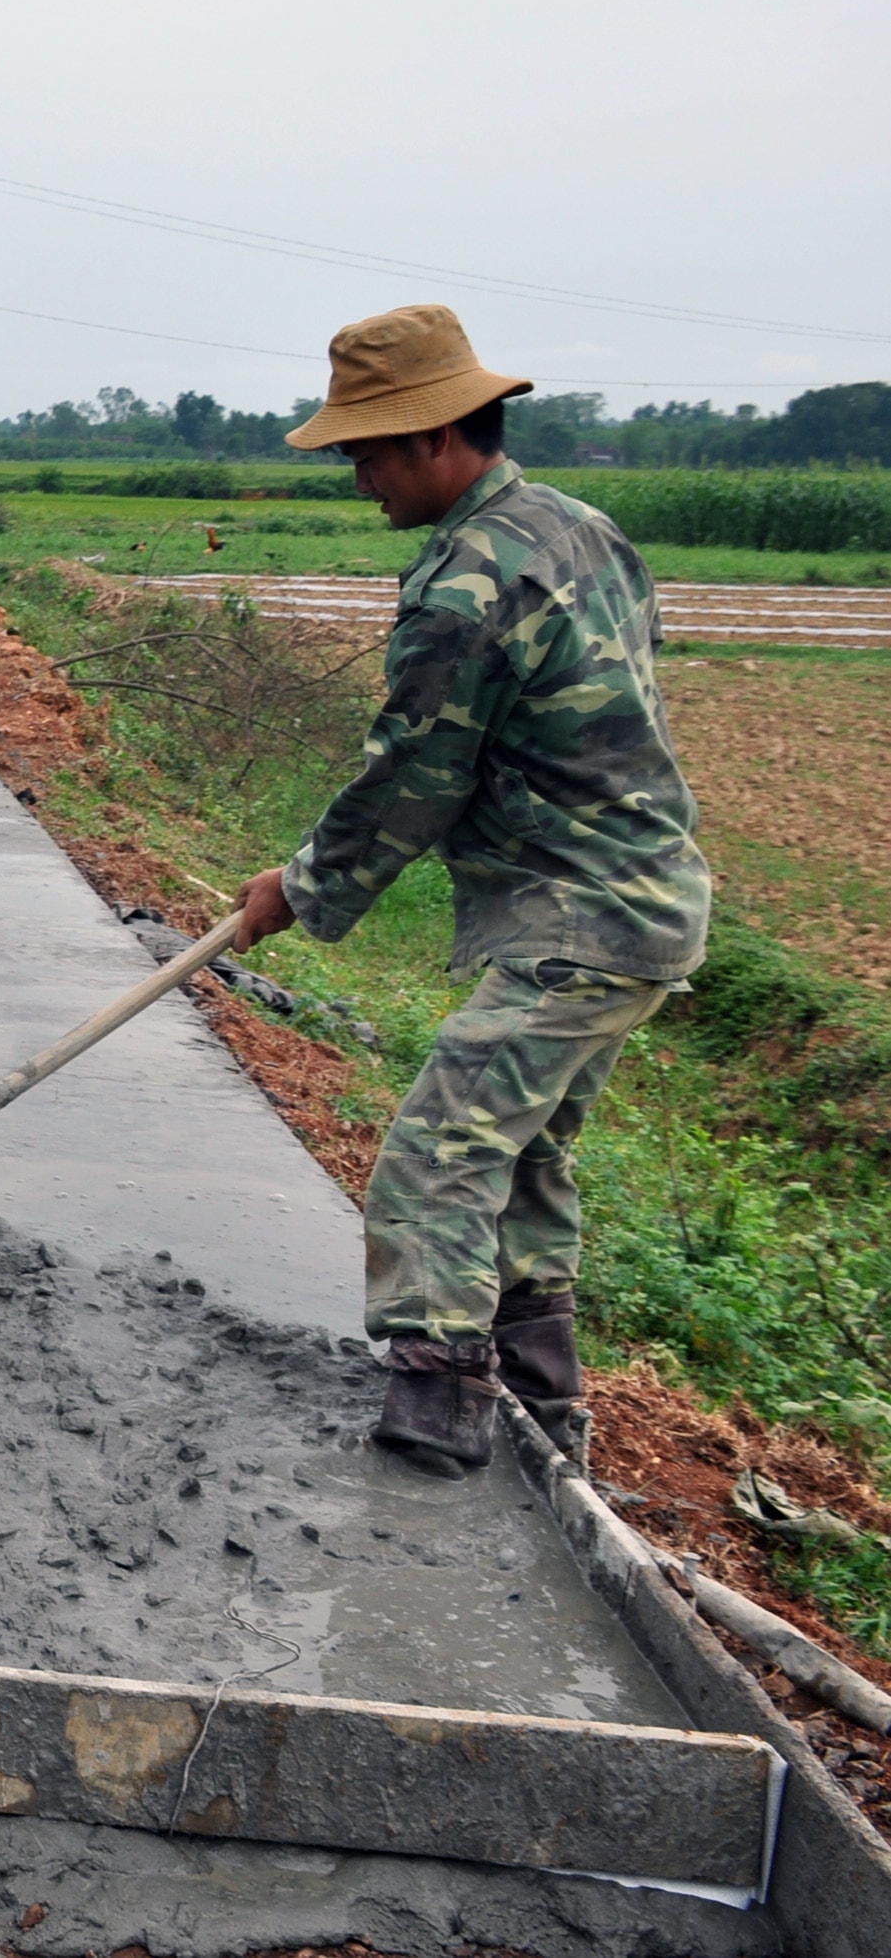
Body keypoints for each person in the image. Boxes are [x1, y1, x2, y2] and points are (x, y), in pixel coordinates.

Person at [237, 306, 710, 1475]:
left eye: (365, 452)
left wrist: (297, 887)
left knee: (440, 1149)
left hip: (580, 918)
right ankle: (547, 1413)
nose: (358, 480)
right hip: (645, 900)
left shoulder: (465, 581)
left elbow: (414, 776)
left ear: (436, 436)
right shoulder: (581, 527)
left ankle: (438, 1408)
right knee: (525, 1151)